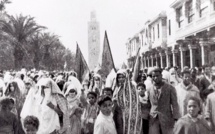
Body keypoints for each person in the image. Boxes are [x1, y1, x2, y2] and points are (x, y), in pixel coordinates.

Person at [148, 67, 179, 134]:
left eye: (157, 76)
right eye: (153, 76)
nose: (155, 78)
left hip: (167, 118)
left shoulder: (170, 88)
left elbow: (175, 104)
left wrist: (176, 118)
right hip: (153, 119)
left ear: (161, 76)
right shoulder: (149, 89)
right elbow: (148, 104)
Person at [112, 69, 142, 134]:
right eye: (119, 77)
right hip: (120, 115)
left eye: (123, 77)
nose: (121, 79)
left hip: (131, 116)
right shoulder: (118, 88)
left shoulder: (132, 87)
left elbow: (135, 103)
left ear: (126, 77)